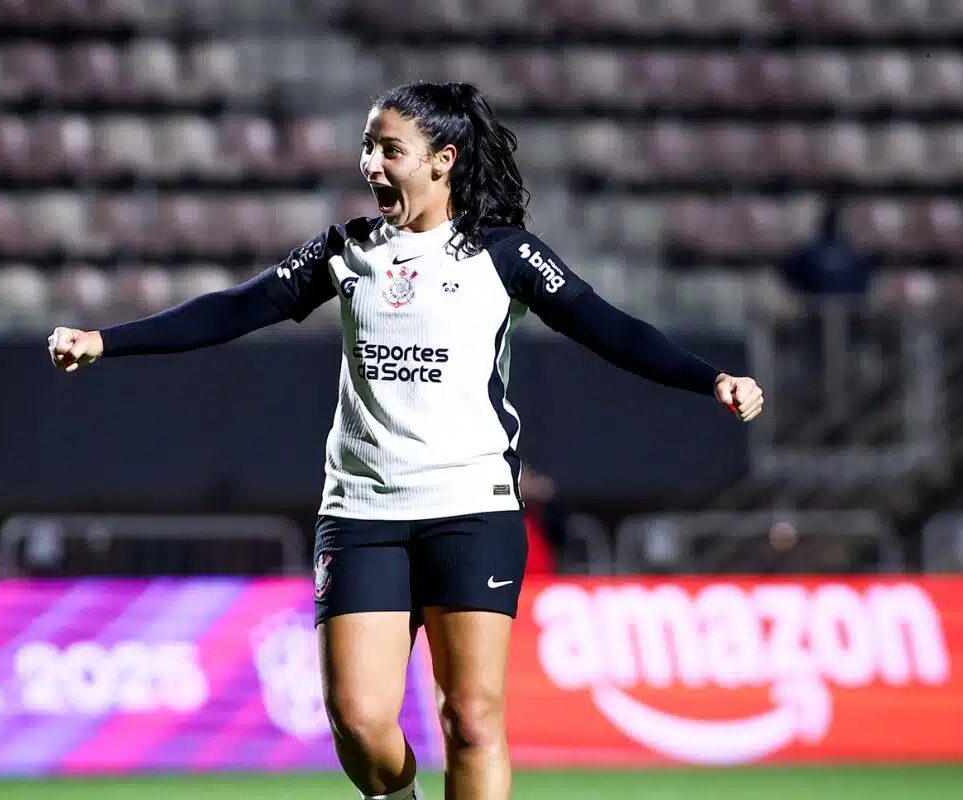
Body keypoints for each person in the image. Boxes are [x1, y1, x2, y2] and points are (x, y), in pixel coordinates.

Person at [48, 81, 764, 800]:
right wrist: (107, 342)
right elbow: (235, 308)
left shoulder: (504, 255)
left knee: (472, 720)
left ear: (442, 160)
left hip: (471, 507)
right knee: (358, 722)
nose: (371, 164)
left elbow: (610, 327)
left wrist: (710, 381)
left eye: (390, 149)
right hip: (361, 511)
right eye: (367, 146)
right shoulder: (347, 251)